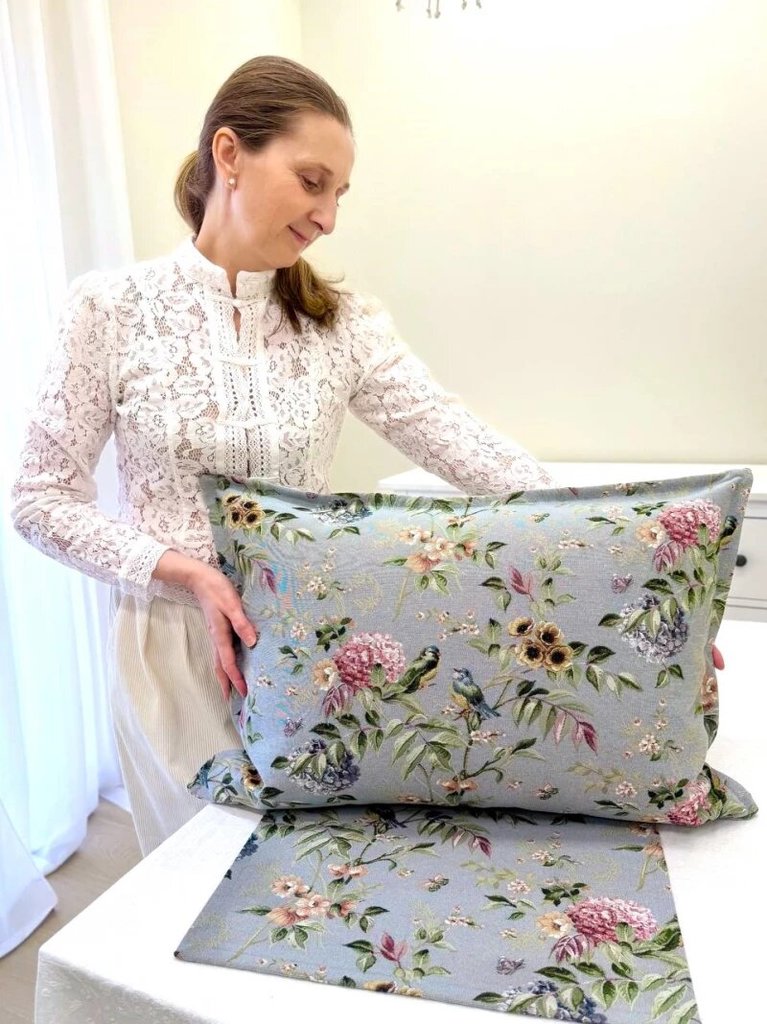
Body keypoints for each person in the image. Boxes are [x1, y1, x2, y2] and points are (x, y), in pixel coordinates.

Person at [10, 54, 701, 857]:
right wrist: (186, 572)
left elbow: (465, 446)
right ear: (229, 154)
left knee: (311, 877)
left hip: (311, 644)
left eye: (339, 193)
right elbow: (39, 498)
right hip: (172, 650)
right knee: (202, 881)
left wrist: (632, 563)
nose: (328, 217)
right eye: (312, 183)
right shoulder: (109, 308)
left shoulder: (342, 324)